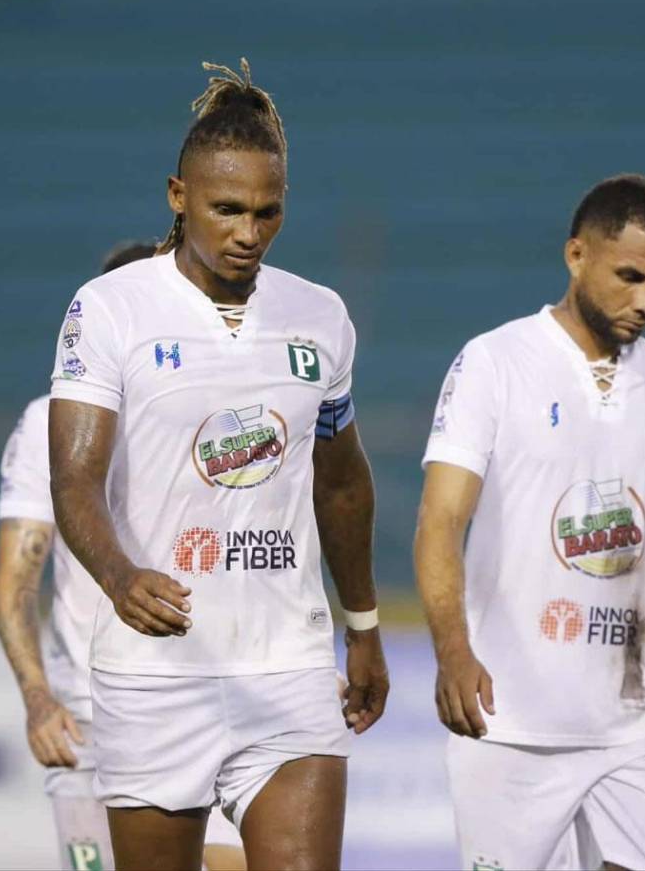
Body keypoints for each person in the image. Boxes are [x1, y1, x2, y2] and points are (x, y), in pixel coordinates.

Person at [46, 59, 389, 871]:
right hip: (158, 669)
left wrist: (365, 625)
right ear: (178, 196)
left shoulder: (319, 318)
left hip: (289, 664)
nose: (248, 232)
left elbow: (341, 479)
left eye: (267, 213)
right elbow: (74, 480)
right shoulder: (111, 310)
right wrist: (120, 576)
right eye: (227, 209)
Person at [415, 173, 645, 871]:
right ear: (576, 256)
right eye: (629, 277)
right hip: (512, 722)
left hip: (640, 721)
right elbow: (441, 520)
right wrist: (452, 651)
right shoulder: (496, 362)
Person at [0, 241, 246, 871]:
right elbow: (16, 580)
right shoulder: (46, 423)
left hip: (207, 706)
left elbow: (263, 544)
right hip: (90, 715)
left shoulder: (218, 419)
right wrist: (37, 697)